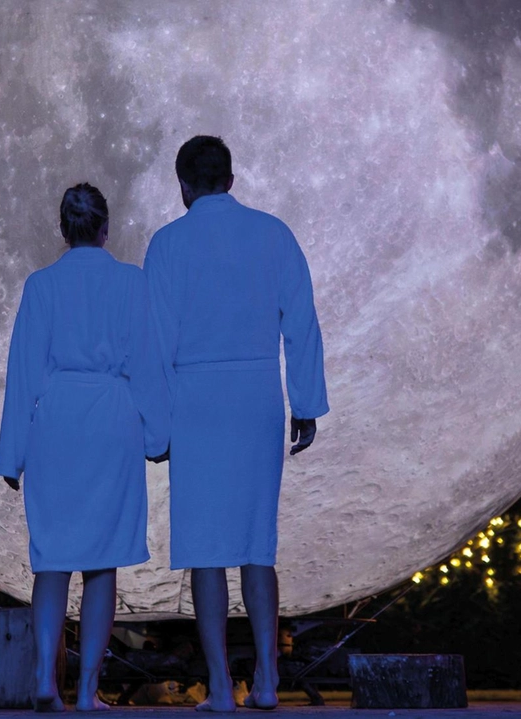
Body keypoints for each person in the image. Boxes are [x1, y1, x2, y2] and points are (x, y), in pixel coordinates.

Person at [143, 136, 329, 712]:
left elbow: (155, 342)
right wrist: (306, 402)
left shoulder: (168, 244)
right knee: (256, 544)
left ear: (183, 186)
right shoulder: (273, 234)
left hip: (196, 399)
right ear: (231, 177)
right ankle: (269, 681)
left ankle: (222, 686)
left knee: (205, 548)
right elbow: (301, 321)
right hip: (254, 397)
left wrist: (158, 427)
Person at [0, 183, 171, 712]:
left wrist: (12, 454)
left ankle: (46, 679)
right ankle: (89, 691)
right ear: (105, 228)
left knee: (51, 558)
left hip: (57, 423)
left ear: (63, 230)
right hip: (112, 423)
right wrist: (158, 436)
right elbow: (147, 363)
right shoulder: (131, 283)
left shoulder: (41, 286)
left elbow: (22, 373)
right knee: (102, 562)